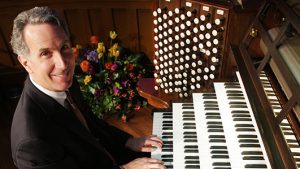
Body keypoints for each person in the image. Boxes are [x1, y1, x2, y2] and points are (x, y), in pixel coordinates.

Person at [10, 6, 165, 169]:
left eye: (64, 47)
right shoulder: (31, 141)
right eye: (45, 53)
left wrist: (129, 141)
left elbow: (92, 124)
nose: (63, 65)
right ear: (25, 62)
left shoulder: (65, 83)